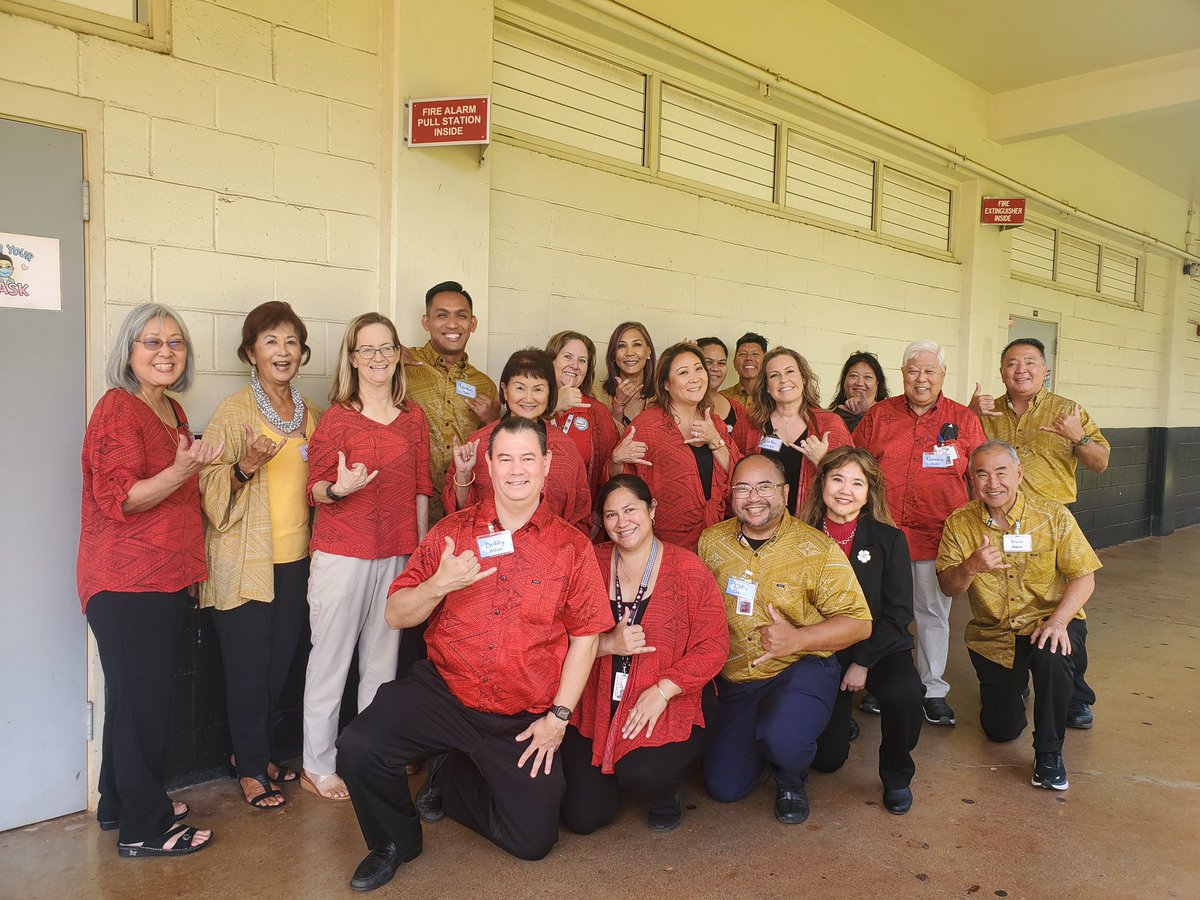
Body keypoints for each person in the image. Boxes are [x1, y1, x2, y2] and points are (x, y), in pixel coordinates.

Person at [335, 417, 612, 892]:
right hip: (445, 690)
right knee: (360, 746)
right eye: (505, 458)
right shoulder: (452, 531)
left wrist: (558, 718)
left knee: (533, 841)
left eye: (528, 458)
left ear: (547, 465)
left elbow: (586, 637)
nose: (517, 470)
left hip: (520, 712)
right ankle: (394, 842)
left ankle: (453, 773)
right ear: (488, 465)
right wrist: (440, 584)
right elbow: (396, 615)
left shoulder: (572, 546)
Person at [77, 303, 218, 857]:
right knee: (144, 706)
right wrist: (182, 470)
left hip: (163, 579)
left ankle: (119, 801)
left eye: (176, 343)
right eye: (152, 342)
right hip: (126, 582)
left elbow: (174, 489)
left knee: (134, 701)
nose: (166, 352)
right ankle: (144, 827)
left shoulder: (171, 411)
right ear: (129, 351)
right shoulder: (118, 409)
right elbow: (123, 498)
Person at [698, 454, 872, 824]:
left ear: (786, 492)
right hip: (737, 680)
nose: (753, 497)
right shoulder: (711, 542)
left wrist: (796, 639)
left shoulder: (817, 549)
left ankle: (790, 777)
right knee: (724, 788)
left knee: (785, 736)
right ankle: (767, 738)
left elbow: (860, 623)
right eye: (743, 487)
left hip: (799, 668)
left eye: (765, 486)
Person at [301, 313, 433, 801]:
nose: (377, 358)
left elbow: (422, 486)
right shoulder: (338, 417)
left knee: (382, 665)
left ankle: (370, 757)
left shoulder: (412, 416)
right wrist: (339, 488)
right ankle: (318, 763)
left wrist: (418, 555)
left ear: (398, 353)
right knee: (331, 660)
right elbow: (314, 489)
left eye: (385, 348)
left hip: (397, 552)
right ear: (352, 359)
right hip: (342, 553)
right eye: (367, 349)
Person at [199, 301, 321, 810]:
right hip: (246, 560)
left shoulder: (309, 414)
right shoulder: (234, 411)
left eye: (291, 341)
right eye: (271, 341)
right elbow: (207, 488)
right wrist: (245, 468)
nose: (283, 351)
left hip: (297, 561)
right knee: (248, 668)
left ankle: (255, 753)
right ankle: (251, 769)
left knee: (278, 666)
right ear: (251, 352)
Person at [561, 475, 728, 834]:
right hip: (596, 698)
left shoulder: (688, 570)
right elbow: (554, 631)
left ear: (652, 510)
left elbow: (714, 646)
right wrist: (607, 645)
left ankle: (664, 791)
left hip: (663, 695)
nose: (622, 523)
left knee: (642, 771)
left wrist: (664, 690)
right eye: (610, 515)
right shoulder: (590, 561)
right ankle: (615, 765)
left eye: (630, 510)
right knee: (582, 818)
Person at [936, 440, 1101, 791]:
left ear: (1019, 474)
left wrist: (1058, 621)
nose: (992, 483)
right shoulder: (960, 524)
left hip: (1049, 621)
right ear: (971, 479)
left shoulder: (1052, 515)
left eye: (1001, 472)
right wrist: (971, 567)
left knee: (1052, 654)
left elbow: (1084, 577)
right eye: (982, 474)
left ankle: (1049, 754)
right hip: (995, 636)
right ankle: (1016, 689)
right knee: (1001, 731)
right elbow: (949, 587)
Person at [969, 337, 1111, 730]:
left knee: (1062, 608)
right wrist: (966, 415)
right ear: (1001, 371)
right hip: (994, 523)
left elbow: (1100, 462)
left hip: (1051, 528)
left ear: (1045, 369)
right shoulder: (987, 412)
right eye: (1012, 363)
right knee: (1005, 604)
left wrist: (1077, 436)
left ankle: (1075, 696)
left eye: (1030, 362)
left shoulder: (1068, 410)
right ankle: (1015, 671)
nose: (1021, 370)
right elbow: (962, 453)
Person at [853, 340, 985, 727]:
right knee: (879, 611)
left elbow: (977, 478)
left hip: (937, 537)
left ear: (943, 376)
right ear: (902, 374)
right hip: (884, 536)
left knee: (932, 614)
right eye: (913, 370)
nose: (921, 378)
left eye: (930, 371)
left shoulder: (964, 420)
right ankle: (881, 681)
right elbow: (855, 465)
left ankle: (933, 690)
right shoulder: (880, 415)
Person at [804, 448, 924, 815]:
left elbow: (898, 612)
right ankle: (840, 726)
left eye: (857, 482)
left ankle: (897, 775)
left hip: (880, 646)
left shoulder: (889, 540)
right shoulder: (799, 537)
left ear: (869, 491)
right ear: (821, 482)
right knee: (827, 761)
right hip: (823, 649)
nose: (845, 490)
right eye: (837, 478)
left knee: (905, 692)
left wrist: (863, 661)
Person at [444, 349, 592, 534]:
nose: (528, 398)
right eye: (520, 388)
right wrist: (464, 474)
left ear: (549, 393)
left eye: (538, 389)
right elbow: (457, 513)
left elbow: (580, 514)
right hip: (488, 551)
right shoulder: (479, 443)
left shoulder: (565, 448)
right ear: (505, 390)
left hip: (551, 555)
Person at [618, 342, 739, 551]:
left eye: (699, 368)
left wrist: (716, 441)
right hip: (662, 542)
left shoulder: (715, 424)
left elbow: (739, 477)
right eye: (683, 372)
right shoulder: (647, 426)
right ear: (666, 383)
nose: (694, 378)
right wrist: (616, 460)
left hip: (715, 539)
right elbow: (622, 485)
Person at [404, 281, 500, 522]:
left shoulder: (485, 385)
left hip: (460, 508)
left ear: (473, 323)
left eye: (461, 316)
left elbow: (496, 450)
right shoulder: (402, 366)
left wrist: (493, 421)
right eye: (441, 315)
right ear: (426, 322)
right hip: (406, 506)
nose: (452, 324)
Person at [748, 347, 852, 514]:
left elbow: (851, 482)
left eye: (790, 372)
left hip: (812, 522)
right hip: (761, 521)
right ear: (767, 386)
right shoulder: (752, 425)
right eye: (774, 375)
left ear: (803, 378)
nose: (783, 380)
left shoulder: (830, 424)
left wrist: (822, 460)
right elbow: (735, 471)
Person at [546, 331, 622, 505]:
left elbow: (607, 472)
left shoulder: (597, 412)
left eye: (582, 360)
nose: (574, 365)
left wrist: (596, 515)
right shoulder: (530, 406)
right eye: (567, 357)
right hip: (530, 515)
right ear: (550, 361)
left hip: (581, 517)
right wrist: (553, 405)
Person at [696, 337, 755, 454]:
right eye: (708, 362)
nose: (715, 368)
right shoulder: (679, 405)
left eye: (721, 363)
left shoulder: (738, 410)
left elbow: (742, 455)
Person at [599, 321, 656, 426]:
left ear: (648, 352)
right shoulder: (596, 395)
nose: (629, 353)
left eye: (637, 345)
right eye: (621, 346)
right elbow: (602, 441)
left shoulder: (662, 396)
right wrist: (618, 406)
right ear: (613, 355)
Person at [828, 350, 889, 433]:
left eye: (867, 377)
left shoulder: (889, 416)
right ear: (844, 381)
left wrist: (863, 415)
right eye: (854, 376)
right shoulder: (830, 417)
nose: (860, 383)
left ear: (877, 383)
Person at [720, 332, 767, 414]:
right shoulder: (722, 398)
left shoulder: (775, 397)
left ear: (766, 361)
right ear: (734, 362)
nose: (749, 358)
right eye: (743, 354)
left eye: (755, 354)